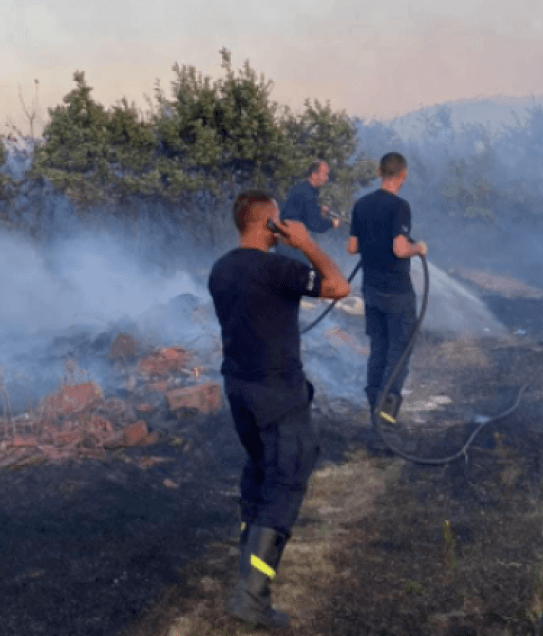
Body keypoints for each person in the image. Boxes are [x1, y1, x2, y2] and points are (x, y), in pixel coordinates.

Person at [209, 189, 350, 629]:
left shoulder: (221, 270)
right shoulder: (277, 268)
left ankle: (246, 575)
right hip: (278, 395)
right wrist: (306, 243)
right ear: (268, 223)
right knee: (286, 481)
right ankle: (252, 596)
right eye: (277, 220)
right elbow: (338, 286)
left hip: (239, 391)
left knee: (259, 477)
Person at [346, 152, 428, 426]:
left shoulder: (361, 204)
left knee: (378, 347)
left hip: (370, 290)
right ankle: (386, 411)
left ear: (379, 173)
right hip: (397, 292)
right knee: (399, 349)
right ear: (402, 175)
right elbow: (399, 248)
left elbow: (352, 247)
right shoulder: (400, 206)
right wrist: (419, 249)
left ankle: (374, 404)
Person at [274, 160, 341, 264]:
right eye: (325, 174)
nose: (327, 178)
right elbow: (315, 225)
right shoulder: (309, 194)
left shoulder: (301, 188)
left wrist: (318, 209)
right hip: (293, 247)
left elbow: (300, 211)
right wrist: (332, 223)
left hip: (283, 244)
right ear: (314, 175)